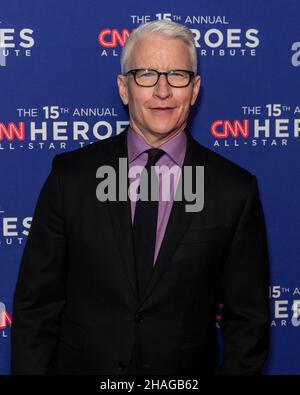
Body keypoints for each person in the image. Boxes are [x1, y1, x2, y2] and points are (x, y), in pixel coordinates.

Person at [11, 20, 270, 375]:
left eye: (177, 75)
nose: (162, 91)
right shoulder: (70, 178)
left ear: (194, 89)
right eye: (146, 74)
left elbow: (248, 324)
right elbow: (36, 307)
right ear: (124, 88)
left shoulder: (234, 190)